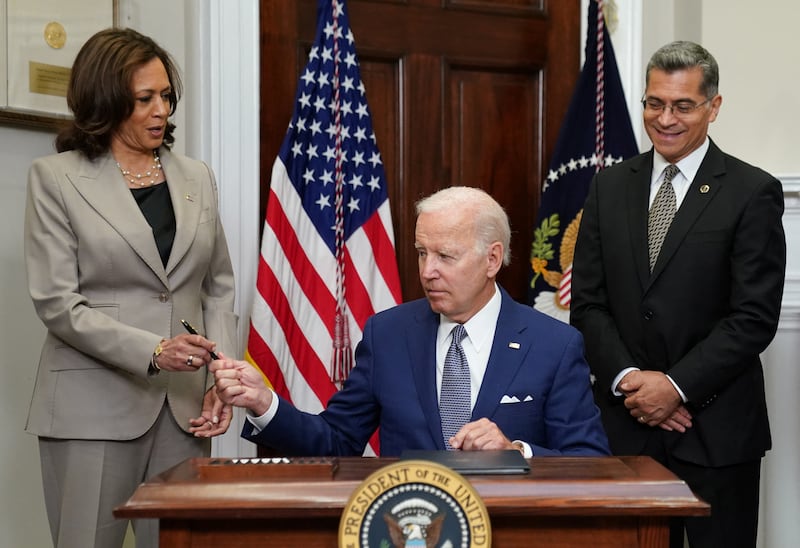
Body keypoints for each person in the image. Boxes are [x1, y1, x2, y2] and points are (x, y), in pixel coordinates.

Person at [23, 28, 238, 548]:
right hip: (90, 408)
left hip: (185, 411)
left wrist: (222, 373)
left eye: (165, 96)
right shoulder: (55, 178)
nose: (160, 110)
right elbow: (58, 303)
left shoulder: (197, 177)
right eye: (144, 99)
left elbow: (218, 286)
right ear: (107, 101)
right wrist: (155, 350)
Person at [204, 186, 609, 457]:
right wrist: (264, 403)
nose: (427, 271)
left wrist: (516, 452)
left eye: (445, 256)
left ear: (491, 259)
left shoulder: (554, 344)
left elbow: (590, 461)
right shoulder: (388, 334)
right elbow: (336, 441)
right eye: (420, 253)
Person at [570, 41, 785, 548]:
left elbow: (753, 317)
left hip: (716, 433)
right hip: (624, 430)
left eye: (683, 106)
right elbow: (588, 304)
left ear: (714, 107)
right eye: (654, 103)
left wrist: (675, 386)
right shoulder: (609, 186)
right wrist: (631, 381)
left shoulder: (751, 192)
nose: (665, 118)